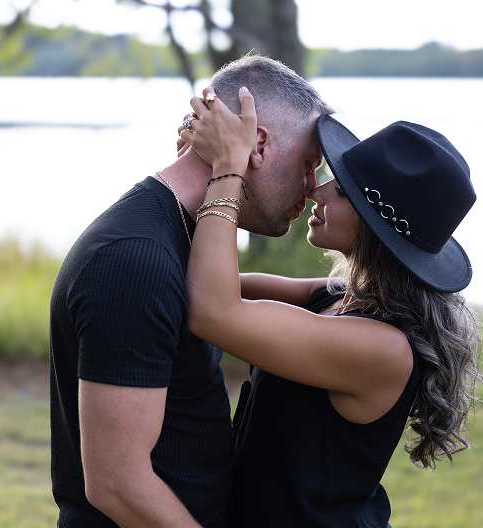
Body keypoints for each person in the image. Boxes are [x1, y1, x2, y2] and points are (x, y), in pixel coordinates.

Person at [178, 86, 483, 527]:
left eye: (341, 191)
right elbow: (200, 279)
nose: (317, 190)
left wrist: (229, 169)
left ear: (378, 229)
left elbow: (213, 311)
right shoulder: (338, 297)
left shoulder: (381, 348)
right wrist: (195, 163)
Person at [49, 55, 334, 527]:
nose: (312, 189)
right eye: (308, 165)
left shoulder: (189, 236)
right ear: (256, 145)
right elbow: (117, 484)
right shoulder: (133, 258)